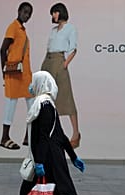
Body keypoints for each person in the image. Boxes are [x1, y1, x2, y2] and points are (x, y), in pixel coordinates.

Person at [0, 71, 98, 195]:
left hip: (47, 160)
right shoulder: (49, 104)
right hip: (50, 158)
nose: (30, 85)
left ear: (40, 83)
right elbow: (61, 136)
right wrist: (73, 157)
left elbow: (43, 137)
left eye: (33, 82)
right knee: (26, 194)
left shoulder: (41, 105)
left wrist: (40, 164)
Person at [40, 3, 81, 149]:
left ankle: (76, 133)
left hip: (59, 61)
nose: (53, 16)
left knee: (66, 96)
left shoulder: (70, 28)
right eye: (52, 13)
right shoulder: (53, 30)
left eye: (55, 12)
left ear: (61, 12)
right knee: (47, 98)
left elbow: (73, 48)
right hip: (48, 60)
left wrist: (65, 64)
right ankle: (50, 132)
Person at [0, 2, 34, 150]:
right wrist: (4, 72)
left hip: (25, 74)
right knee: (10, 105)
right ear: (19, 11)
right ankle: (5, 137)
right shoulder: (13, 28)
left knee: (33, 105)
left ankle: (29, 136)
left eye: (29, 14)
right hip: (14, 74)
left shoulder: (22, 30)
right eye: (25, 12)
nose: (27, 15)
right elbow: (2, 50)